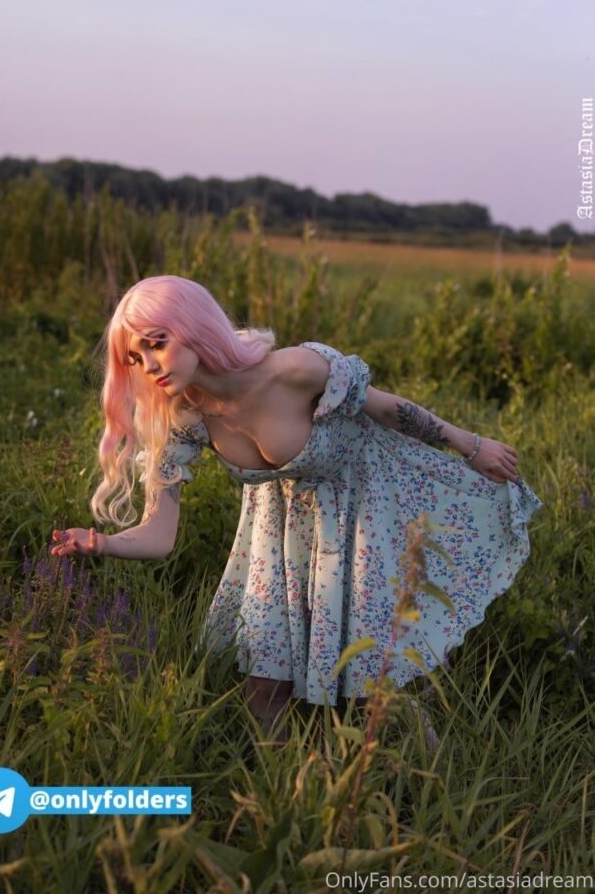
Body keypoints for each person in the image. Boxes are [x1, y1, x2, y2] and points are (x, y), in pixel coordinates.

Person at [50, 275, 543, 743]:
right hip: (277, 542)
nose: (149, 365)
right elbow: (159, 535)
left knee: (372, 689)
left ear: (194, 327)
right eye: (135, 358)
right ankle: (289, 787)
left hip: (364, 518)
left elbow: (385, 408)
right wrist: (101, 543)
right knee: (264, 690)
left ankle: (431, 777)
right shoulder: (185, 418)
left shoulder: (294, 370)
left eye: (156, 344)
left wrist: (469, 444)